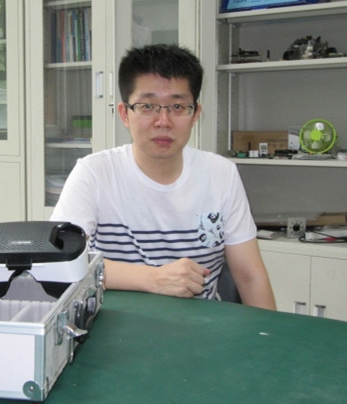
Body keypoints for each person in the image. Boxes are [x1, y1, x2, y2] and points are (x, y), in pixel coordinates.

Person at [51, 44, 276, 310]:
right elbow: (59, 263)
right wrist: (154, 278)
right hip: (113, 322)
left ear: (195, 114)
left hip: (202, 324)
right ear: (125, 114)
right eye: (147, 106)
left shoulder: (220, 174)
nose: (163, 121)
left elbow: (249, 276)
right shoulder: (95, 173)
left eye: (178, 106)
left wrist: (268, 332)